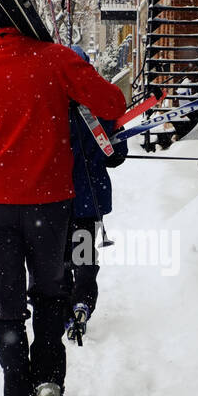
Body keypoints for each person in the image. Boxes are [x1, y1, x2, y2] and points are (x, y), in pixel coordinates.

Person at [0, 0, 126, 396]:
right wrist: (64, 70)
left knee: (7, 305)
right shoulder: (55, 60)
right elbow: (113, 102)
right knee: (51, 295)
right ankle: (50, 381)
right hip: (49, 206)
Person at [65, 45, 128, 344]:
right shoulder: (101, 108)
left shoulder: (50, 109)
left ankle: (61, 308)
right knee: (85, 258)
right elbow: (116, 155)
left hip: (56, 201)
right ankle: (82, 305)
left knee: (60, 259)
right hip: (89, 201)